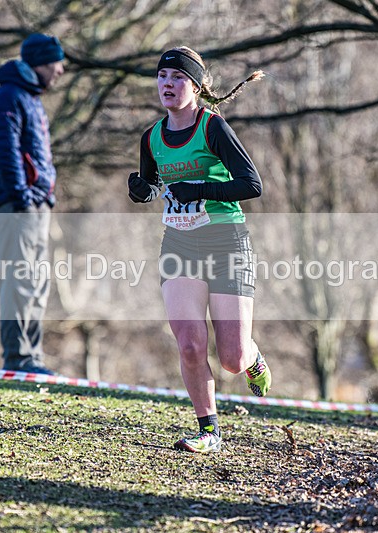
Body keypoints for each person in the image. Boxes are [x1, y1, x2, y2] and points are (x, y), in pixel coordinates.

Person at [128, 46, 271, 453]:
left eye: (177, 77)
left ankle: (252, 357)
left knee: (232, 359)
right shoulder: (151, 138)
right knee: (190, 343)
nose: (167, 84)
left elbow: (252, 185)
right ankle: (209, 431)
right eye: (162, 76)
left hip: (226, 241)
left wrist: (201, 190)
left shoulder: (213, 128)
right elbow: (154, 186)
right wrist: (141, 191)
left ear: (195, 85)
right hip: (179, 244)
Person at [0, 34, 65, 375]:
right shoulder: (9, 96)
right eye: (56, 63)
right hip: (17, 206)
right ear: (40, 64)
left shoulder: (29, 98)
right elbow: (4, 152)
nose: (60, 70)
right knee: (19, 280)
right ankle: (18, 358)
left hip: (34, 205)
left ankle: (32, 358)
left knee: (36, 281)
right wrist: (22, 199)